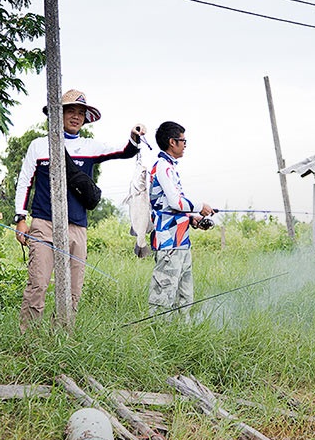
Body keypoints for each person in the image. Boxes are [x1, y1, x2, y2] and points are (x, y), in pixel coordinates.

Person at [14, 89, 145, 329]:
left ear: (85, 119)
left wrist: (134, 135)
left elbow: (125, 150)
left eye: (81, 113)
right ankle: (28, 339)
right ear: (58, 114)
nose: (76, 117)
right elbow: (25, 181)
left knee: (74, 287)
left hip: (77, 226)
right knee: (38, 283)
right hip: (44, 223)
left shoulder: (91, 146)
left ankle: (62, 337)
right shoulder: (39, 146)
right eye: (71, 111)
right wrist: (20, 218)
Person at [147, 121, 215, 316]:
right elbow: (176, 202)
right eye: (183, 141)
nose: (185, 145)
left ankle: (181, 336)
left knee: (185, 297)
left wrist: (192, 218)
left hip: (181, 240)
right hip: (168, 241)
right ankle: (159, 337)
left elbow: (173, 205)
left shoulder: (171, 167)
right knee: (163, 296)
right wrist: (201, 207)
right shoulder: (162, 166)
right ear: (172, 142)